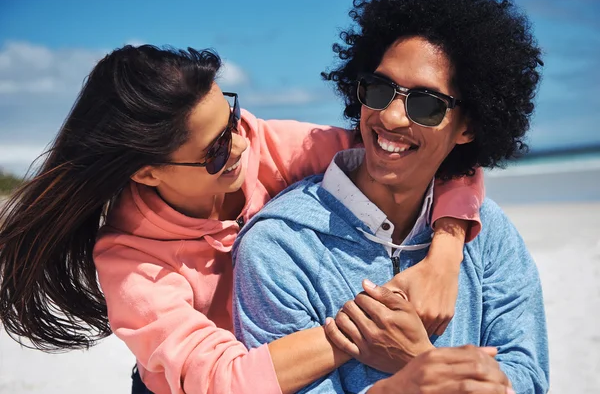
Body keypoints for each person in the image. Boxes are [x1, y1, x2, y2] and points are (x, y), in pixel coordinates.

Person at [0, 45, 485, 394]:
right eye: (213, 151)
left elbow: (417, 156)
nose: (238, 146)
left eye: (230, 119)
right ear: (146, 171)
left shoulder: (261, 142)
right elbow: (223, 381)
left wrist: (444, 254)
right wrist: (362, 334)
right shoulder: (132, 262)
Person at [232, 0, 549, 393]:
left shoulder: (488, 232)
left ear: (468, 127)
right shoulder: (279, 246)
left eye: (427, 104)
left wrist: (416, 358)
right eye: (380, 89)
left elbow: (528, 376)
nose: (391, 116)